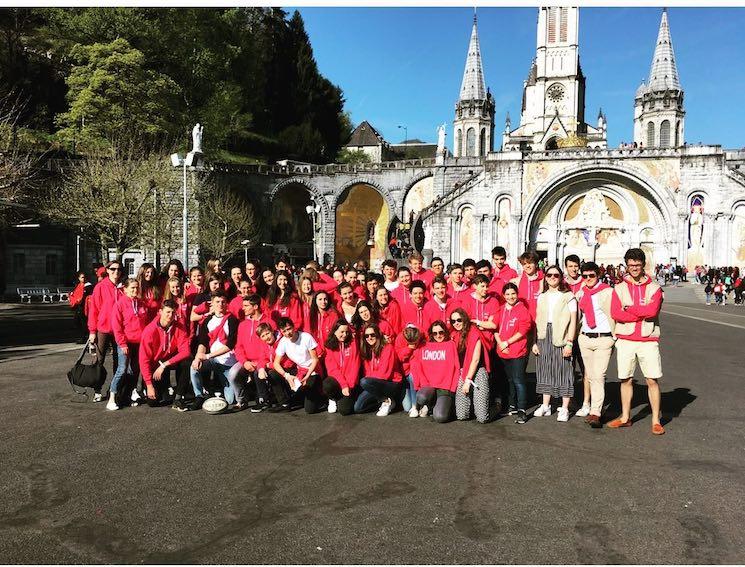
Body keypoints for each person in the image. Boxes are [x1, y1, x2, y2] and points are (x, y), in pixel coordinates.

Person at [609, 248, 665, 435]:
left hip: (648, 339)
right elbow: (616, 313)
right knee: (625, 379)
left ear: (643, 265)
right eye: (631, 265)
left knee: (652, 379)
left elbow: (652, 311)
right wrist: (639, 313)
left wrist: (630, 308)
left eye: (637, 265)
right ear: (626, 265)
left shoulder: (655, 287)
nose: (634, 268)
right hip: (625, 339)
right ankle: (625, 417)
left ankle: (656, 420)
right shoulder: (619, 288)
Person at [532, 266, 577, 422]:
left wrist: (570, 342)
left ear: (561, 277)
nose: (552, 277)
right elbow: (537, 319)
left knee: (564, 370)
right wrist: (535, 341)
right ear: (545, 277)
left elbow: (573, 320)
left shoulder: (568, 296)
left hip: (561, 334)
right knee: (544, 369)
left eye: (555, 275)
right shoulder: (542, 296)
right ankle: (546, 405)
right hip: (544, 334)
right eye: (549, 275)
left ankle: (564, 408)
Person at [575, 262, 616, 428]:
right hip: (585, 337)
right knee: (590, 375)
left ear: (598, 275)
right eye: (584, 276)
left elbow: (616, 311)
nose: (588, 279)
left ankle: (596, 412)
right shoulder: (580, 293)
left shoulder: (607, 291)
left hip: (603, 338)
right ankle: (593, 406)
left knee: (598, 375)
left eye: (591, 276)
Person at [139, 300, 192, 409]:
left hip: (169, 361)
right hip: (155, 364)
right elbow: (144, 360)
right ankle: (160, 388)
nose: (170, 315)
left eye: (173, 312)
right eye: (167, 312)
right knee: (153, 402)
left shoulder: (179, 327)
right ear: (160, 312)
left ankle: (179, 396)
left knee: (187, 361)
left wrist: (164, 365)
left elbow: (186, 351)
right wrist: (149, 385)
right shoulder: (149, 331)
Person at [108, 278, 150, 410]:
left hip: (139, 342)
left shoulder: (141, 303)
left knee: (135, 371)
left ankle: (128, 394)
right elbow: (117, 326)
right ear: (125, 289)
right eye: (132, 288)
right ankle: (112, 397)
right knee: (122, 370)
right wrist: (122, 343)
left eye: (137, 288)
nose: (135, 290)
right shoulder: (119, 305)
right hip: (125, 342)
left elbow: (146, 323)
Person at [228, 297, 277, 411]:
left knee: (258, 373)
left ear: (255, 307)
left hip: (264, 360)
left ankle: (264, 398)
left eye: (246, 306)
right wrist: (244, 362)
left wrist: (260, 363)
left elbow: (272, 347)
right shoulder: (242, 324)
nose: (243, 308)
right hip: (247, 361)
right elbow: (238, 346)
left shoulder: (269, 322)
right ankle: (241, 401)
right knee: (233, 373)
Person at [190, 291, 239, 405]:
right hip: (213, 361)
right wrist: (198, 358)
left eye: (223, 302)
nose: (220, 304)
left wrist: (207, 356)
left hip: (228, 364)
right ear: (212, 303)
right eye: (217, 302)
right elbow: (202, 342)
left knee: (230, 401)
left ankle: (222, 387)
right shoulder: (207, 321)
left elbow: (230, 345)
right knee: (194, 367)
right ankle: (199, 395)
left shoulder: (232, 320)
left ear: (226, 303)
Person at [495, 283, 532, 424]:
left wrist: (507, 343)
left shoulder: (522, 310)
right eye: (508, 294)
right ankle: (512, 405)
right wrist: (501, 344)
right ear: (504, 296)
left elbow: (523, 331)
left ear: (517, 294)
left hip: (517, 351)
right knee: (509, 380)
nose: (510, 297)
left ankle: (522, 410)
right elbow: (495, 328)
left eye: (513, 294)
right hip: (503, 351)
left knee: (518, 381)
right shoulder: (501, 309)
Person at [87, 260, 124, 402]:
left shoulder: (123, 287)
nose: (116, 272)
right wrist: (92, 331)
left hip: (119, 330)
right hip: (103, 328)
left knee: (119, 361)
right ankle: (97, 389)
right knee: (99, 360)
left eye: (119, 269)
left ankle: (116, 389)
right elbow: (94, 310)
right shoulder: (100, 287)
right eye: (113, 269)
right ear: (107, 271)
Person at [270, 317, 322, 414]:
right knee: (273, 373)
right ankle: (284, 403)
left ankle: (317, 395)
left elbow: (315, 359)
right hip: (299, 370)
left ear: (294, 327)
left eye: (289, 329)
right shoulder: (283, 342)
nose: (287, 333)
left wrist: (307, 376)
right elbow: (276, 363)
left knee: (310, 410)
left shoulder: (306, 337)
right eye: (284, 331)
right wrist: (287, 376)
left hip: (312, 370)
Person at [410, 320, 460, 423]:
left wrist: (453, 388)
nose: (438, 335)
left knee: (440, 417)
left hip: (445, 387)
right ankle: (430, 404)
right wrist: (420, 384)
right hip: (429, 385)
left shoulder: (451, 345)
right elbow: (416, 365)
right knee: (421, 398)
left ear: (445, 332)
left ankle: (441, 405)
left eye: (441, 332)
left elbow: (456, 367)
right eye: (435, 333)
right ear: (431, 334)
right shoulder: (424, 345)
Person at [450, 308, 490, 424]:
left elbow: (476, 359)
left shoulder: (474, 333)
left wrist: (468, 380)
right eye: (453, 321)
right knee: (462, 415)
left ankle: (493, 406)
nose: (456, 323)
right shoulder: (454, 335)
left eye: (459, 320)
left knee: (482, 418)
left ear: (464, 319)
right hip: (462, 371)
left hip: (477, 370)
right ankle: (473, 407)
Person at [354, 323, 401, 416]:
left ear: (378, 335)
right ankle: (384, 401)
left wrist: (369, 381)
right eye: (366, 336)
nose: (369, 338)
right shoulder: (367, 350)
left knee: (364, 382)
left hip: (391, 383)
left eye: (372, 335)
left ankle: (386, 401)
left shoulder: (388, 348)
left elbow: (385, 373)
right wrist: (370, 381)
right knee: (358, 408)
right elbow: (367, 372)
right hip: (375, 383)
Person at [322, 319, 360, 416]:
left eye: (347, 332)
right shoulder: (329, 346)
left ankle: (341, 398)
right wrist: (343, 385)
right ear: (335, 331)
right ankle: (333, 397)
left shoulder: (352, 343)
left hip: (350, 382)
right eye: (341, 332)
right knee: (327, 384)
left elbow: (355, 365)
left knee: (344, 411)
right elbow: (332, 369)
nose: (345, 334)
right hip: (337, 381)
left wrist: (349, 386)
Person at [395, 325, 425, 416]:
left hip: (415, 373)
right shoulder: (400, 338)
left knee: (413, 377)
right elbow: (399, 357)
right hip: (404, 374)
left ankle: (414, 406)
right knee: (406, 407)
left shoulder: (422, 337)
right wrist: (409, 348)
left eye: (416, 343)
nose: (415, 345)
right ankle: (412, 405)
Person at [513, 251, 544, 319]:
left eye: (530, 263)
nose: (527, 266)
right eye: (524, 264)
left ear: (536, 264)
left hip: (540, 319)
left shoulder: (544, 280)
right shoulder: (516, 281)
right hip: (523, 319)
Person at [69, 270, 93, 343]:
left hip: (84, 307)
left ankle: (85, 337)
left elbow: (84, 296)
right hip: (79, 307)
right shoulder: (79, 285)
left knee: (83, 323)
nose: (84, 279)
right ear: (79, 278)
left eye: (84, 277)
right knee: (78, 322)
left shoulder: (88, 286)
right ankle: (84, 336)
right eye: (82, 277)